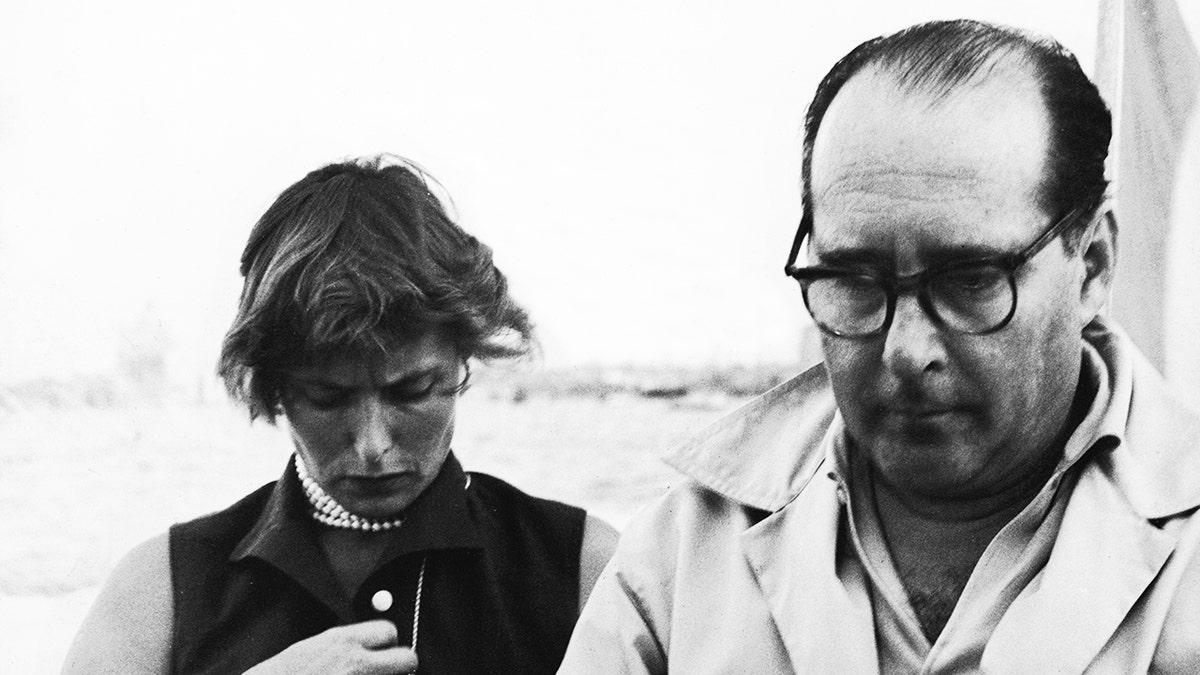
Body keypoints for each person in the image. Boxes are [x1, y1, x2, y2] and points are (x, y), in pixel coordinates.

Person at [560, 19, 1200, 673]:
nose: (904, 348)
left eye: (969, 279)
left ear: (1091, 264)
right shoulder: (681, 559)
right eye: (854, 281)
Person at [63, 156, 619, 674]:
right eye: (328, 399)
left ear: (463, 361)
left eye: (412, 391)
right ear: (272, 387)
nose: (372, 444)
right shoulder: (156, 590)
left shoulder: (585, 569)